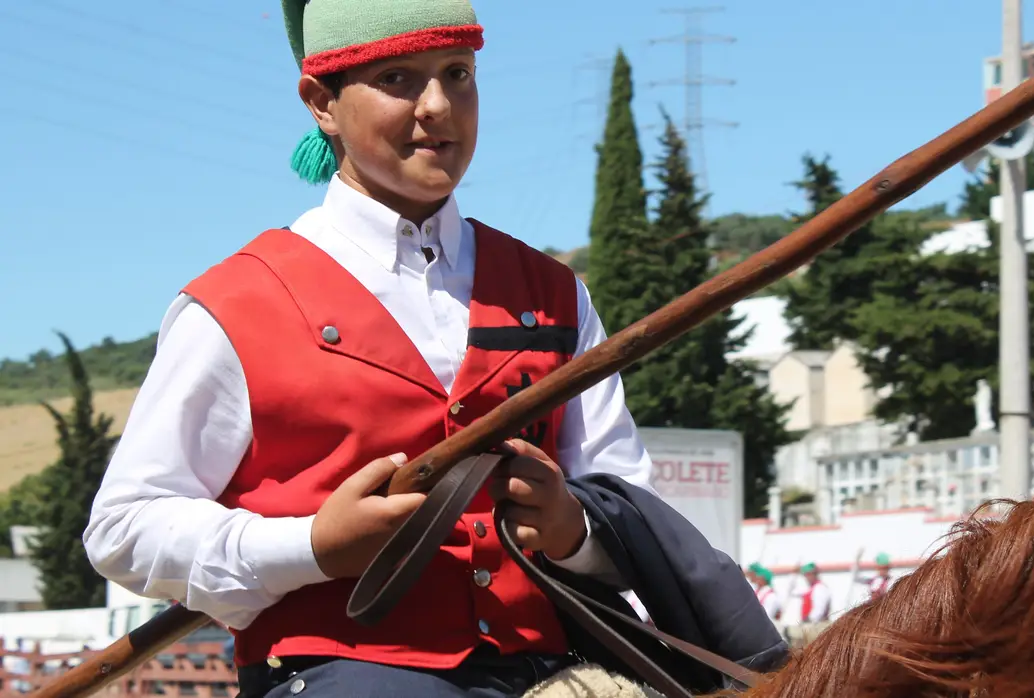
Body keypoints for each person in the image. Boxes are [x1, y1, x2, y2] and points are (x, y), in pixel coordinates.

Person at [81, 1, 655, 696]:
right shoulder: (233, 306)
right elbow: (124, 527)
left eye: (458, 73)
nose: (438, 106)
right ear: (322, 102)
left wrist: (574, 529)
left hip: (555, 666)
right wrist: (312, 548)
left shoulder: (556, 293)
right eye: (398, 79)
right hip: (337, 674)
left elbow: (635, 508)